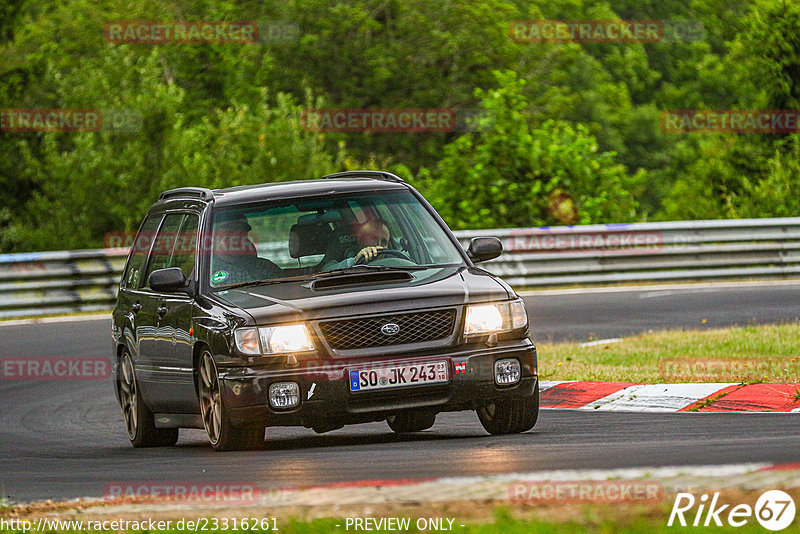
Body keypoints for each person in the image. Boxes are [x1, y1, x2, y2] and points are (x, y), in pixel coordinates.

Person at [323, 217, 391, 270]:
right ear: (359, 238)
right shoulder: (343, 257)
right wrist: (354, 261)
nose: (378, 245)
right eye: (373, 239)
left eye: (383, 242)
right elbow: (324, 271)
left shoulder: (393, 263)